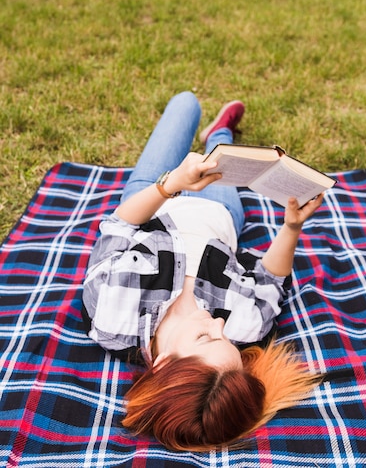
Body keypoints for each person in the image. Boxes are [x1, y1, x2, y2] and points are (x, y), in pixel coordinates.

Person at [82, 91, 324, 451]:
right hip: (220, 212)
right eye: (226, 342)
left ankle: (206, 132)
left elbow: (118, 227)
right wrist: (291, 228)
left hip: (155, 195)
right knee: (221, 156)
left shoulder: (112, 314)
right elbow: (272, 281)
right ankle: (220, 132)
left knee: (185, 104)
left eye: (205, 338)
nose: (219, 325)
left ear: (162, 365)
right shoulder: (246, 327)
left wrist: (173, 184)